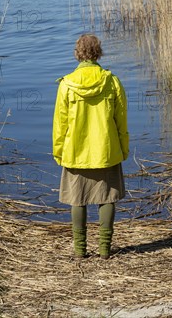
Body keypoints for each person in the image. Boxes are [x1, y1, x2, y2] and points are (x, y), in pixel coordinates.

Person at [53, 34, 129, 259]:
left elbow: (60, 124)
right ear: (99, 53)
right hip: (106, 150)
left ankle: (80, 250)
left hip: (76, 152)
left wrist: (59, 151)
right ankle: (105, 250)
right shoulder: (112, 81)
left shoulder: (66, 84)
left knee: (78, 199)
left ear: (77, 54)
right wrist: (123, 149)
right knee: (107, 198)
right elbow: (121, 120)